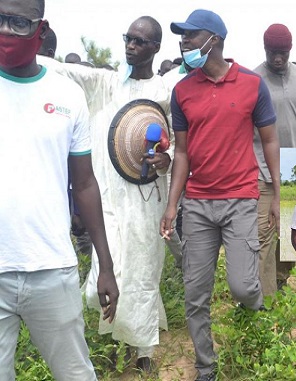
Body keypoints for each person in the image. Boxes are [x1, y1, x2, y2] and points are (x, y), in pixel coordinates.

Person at [40, 16, 172, 372]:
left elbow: (180, 145)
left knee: (143, 274)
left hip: (147, 200)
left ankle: (142, 351)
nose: (131, 45)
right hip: (108, 199)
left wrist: (166, 158)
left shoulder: (165, 92)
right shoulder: (106, 84)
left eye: (140, 41)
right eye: (127, 38)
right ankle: (115, 338)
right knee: (105, 269)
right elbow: (64, 72)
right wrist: (22, 41)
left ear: (156, 48)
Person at [0, 0, 119, 380]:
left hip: (51, 267)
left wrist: (105, 265)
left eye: (18, 23)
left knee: (76, 375)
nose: (6, 32)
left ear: (41, 28)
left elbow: (83, 183)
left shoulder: (67, 97)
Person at [160, 10, 280, 381]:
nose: (184, 43)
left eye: (190, 36)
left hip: (241, 198)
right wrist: (172, 204)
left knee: (243, 288)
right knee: (195, 294)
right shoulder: (182, 91)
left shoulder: (251, 84)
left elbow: (270, 139)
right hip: (197, 204)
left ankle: (255, 325)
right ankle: (205, 368)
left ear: (214, 39)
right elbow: (181, 152)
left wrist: (277, 193)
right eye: (181, 37)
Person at [253, 23, 296, 295]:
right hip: (264, 173)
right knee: (264, 236)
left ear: (290, 49)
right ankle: (260, 299)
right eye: (272, 53)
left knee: (292, 235)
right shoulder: (253, 79)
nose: (278, 58)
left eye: (282, 53)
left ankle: (279, 282)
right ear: (265, 50)